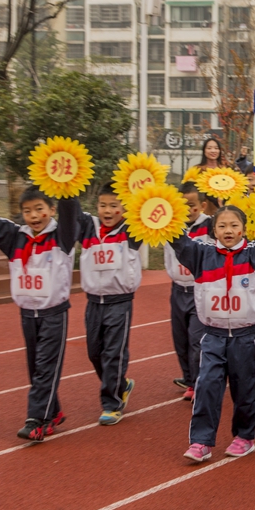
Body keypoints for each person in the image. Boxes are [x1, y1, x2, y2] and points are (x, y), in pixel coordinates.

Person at [174, 205, 255, 462]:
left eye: (234, 225)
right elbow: (176, 240)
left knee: (244, 387)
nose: (228, 231)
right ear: (213, 230)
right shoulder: (200, 254)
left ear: (244, 228)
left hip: (245, 337)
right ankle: (201, 441)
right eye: (222, 226)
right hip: (212, 335)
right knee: (207, 386)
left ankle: (244, 436)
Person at [0, 186, 79, 441]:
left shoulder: (62, 236)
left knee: (45, 369)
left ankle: (35, 420)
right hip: (27, 314)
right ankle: (52, 413)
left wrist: (66, 186)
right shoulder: (15, 237)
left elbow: (69, 211)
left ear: (51, 210)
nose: (33, 215)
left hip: (53, 313)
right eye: (27, 211)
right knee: (35, 368)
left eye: (39, 209)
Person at [77, 182, 142, 425]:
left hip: (119, 302)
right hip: (93, 302)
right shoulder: (87, 227)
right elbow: (69, 209)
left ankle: (112, 403)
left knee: (113, 352)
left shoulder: (131, 230)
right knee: (95, 353)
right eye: (102, 205)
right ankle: (122, 384)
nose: (107, 210)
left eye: (114, 205)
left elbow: (145, 209)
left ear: (124, 208)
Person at [164, 182, 212, 401]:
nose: (187, 210)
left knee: (196, 339)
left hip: (200, 289)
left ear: (201, 205)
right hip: (177, 290)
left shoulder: (209, 225)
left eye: (191, 205)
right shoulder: (170, 225)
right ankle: (188, 377)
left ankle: (198, 381)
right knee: (180, 338)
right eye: (181, 205)